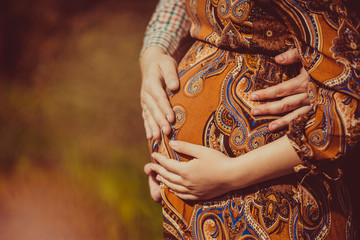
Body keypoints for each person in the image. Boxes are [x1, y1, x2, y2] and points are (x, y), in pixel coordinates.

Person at [140, 0, 360, 239]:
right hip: (192, 208)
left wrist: (230, 174)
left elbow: (348, 110)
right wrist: (152, 54)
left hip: (276, 202)